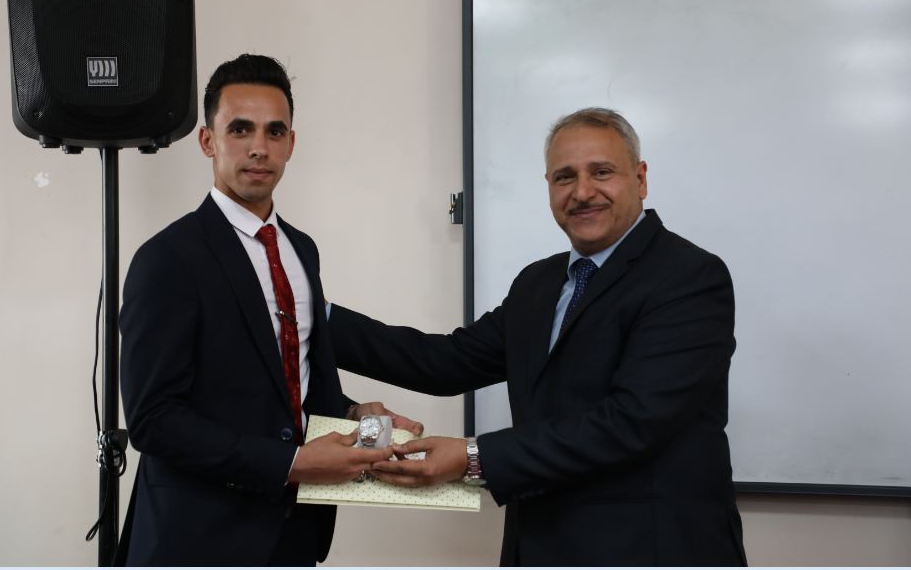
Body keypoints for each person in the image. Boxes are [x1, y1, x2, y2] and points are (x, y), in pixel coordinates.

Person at [329, 108, 747, 566]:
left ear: (641, 179)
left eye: (601, 172)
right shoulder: (538, 283)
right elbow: (444, 362)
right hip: (538, 546)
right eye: (565, 177)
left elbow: (631, 422)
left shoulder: (689, 276)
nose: (582, 192)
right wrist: (309, 315)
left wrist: (473, 456)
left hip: (649, 550)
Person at [119, 54, 420, 566]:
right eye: (240, 129)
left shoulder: (302, 250)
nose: (259, 147)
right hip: (196, 539)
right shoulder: (167, 257)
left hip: (294, 533)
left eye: (274, 131)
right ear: (207, 141)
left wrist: (352, 412)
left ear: (291, 144)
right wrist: (292, 462)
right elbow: (153, 420)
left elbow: (288, 383)